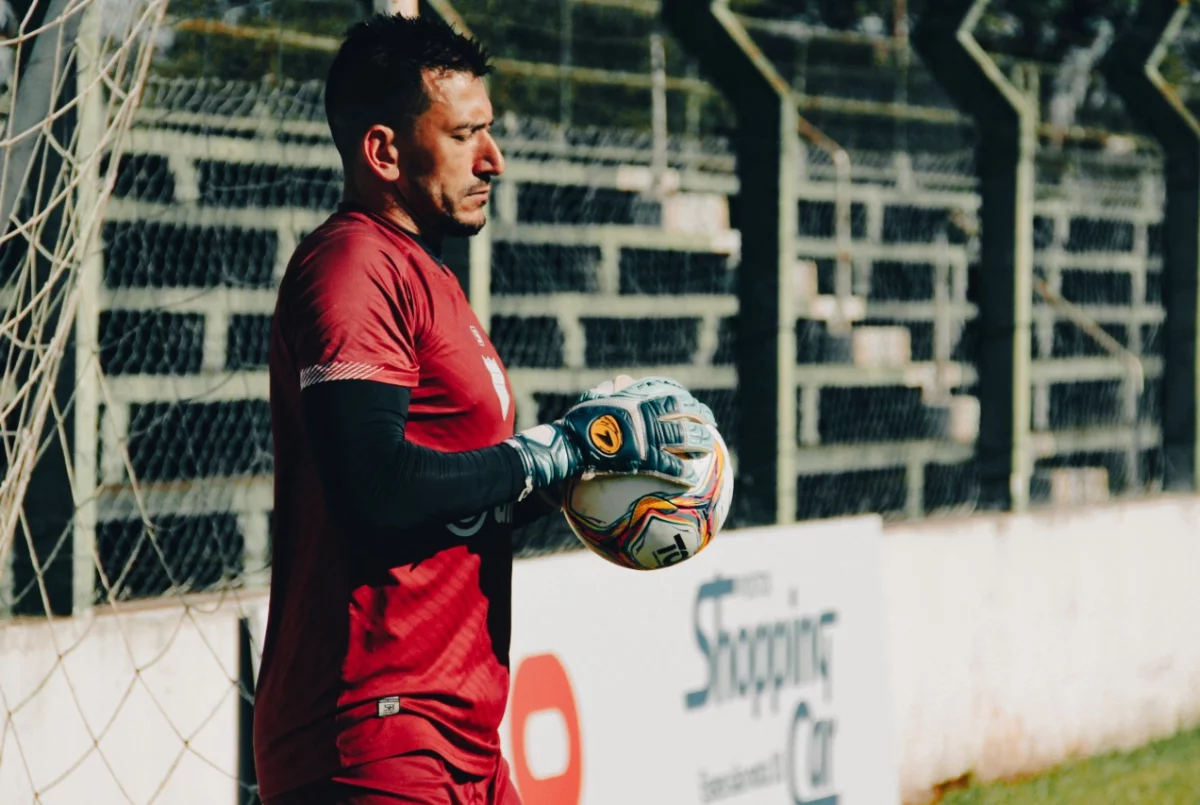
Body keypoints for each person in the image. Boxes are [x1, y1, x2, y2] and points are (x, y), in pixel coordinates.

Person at [253, 13, 714, 805]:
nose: (493, 159)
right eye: (467, 135)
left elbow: (456, 501)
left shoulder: (426, 275)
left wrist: (593, 471)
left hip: (457, 733)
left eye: (489, 131)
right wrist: (548, 455)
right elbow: (375, 487)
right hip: (375, 734)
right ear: (384, 151)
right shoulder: (354, 266)